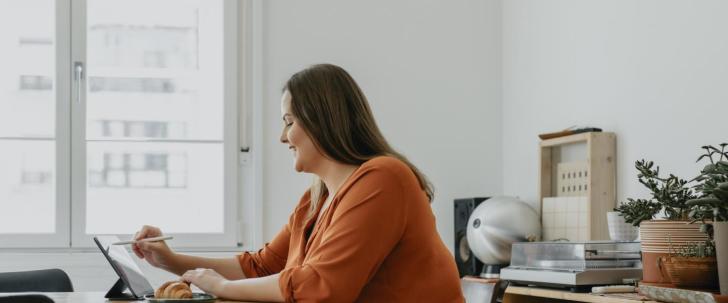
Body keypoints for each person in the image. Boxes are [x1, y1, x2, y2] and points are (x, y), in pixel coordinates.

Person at [132, 63, 464, 302]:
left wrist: (220, 287)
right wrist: (171, 261)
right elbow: (261, 268)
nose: (282, 137)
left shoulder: (384, 179)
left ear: (322, 121)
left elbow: (320, 287)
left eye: (289, 122)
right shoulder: (315, 199)